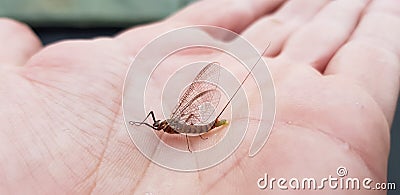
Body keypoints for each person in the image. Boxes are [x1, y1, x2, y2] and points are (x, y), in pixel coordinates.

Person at [0, 0, 398, 194]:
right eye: (155, 126)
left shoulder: (178, 123)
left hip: (205, 123)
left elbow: (186, 131)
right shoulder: (163, 125)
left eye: (157, 125)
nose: (155, 127)